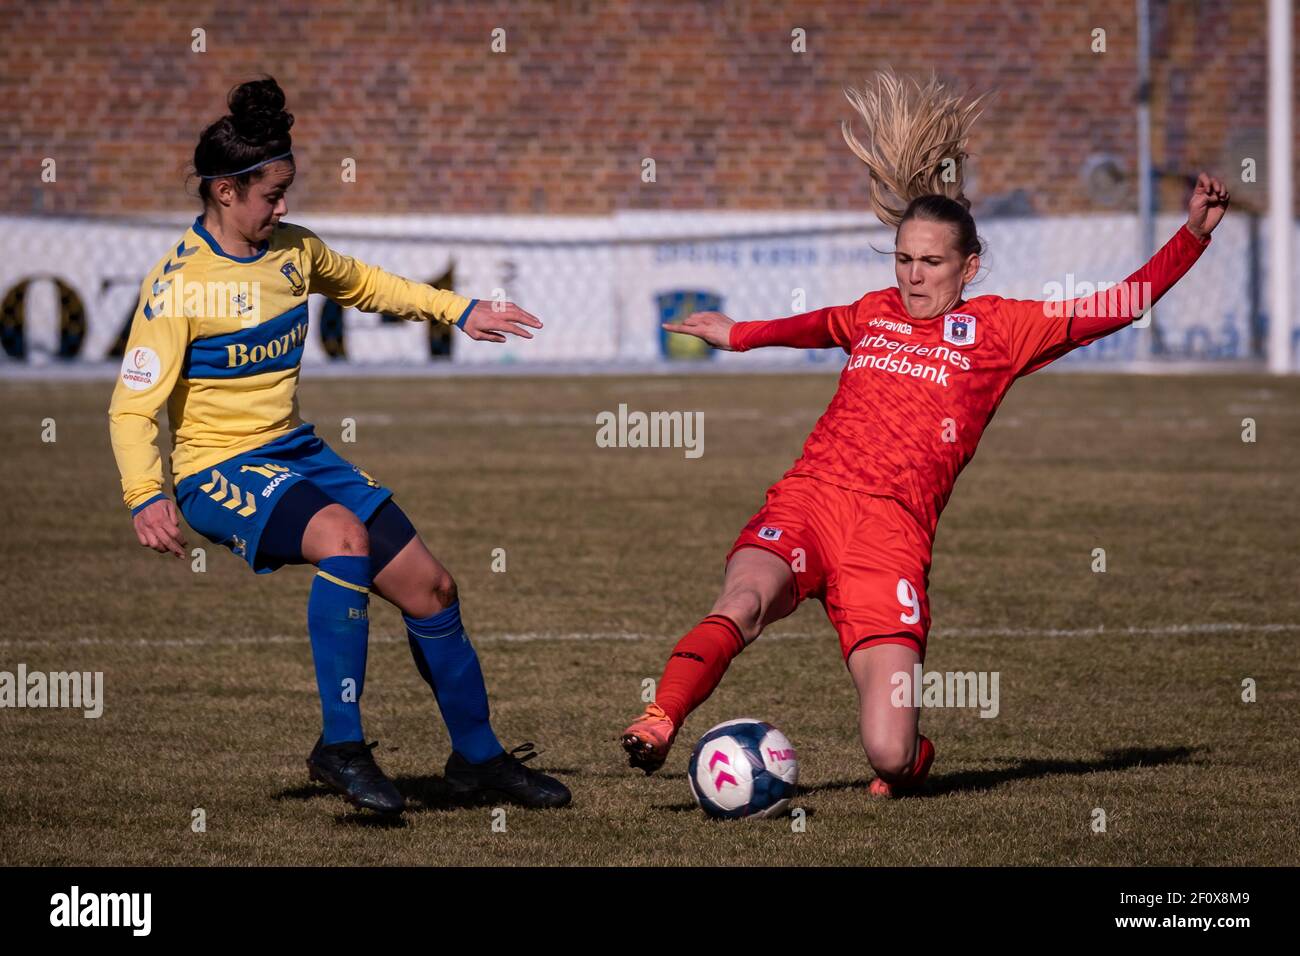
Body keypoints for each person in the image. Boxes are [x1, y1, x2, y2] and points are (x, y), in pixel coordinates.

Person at [621, 70, 1229, 797]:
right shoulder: (874, 310)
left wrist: (1190, 235)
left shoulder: (1005, 329)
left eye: (931, 263)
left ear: (968, 267)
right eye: (904, 259)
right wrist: (740, 333)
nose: (913, 277)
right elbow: (818, 324)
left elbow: (1117, 306)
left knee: (886, 751)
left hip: (891, 537)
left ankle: (912, 759)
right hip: (809, 500)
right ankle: (661, 718)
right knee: (742, 602)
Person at [109, 76, 570, 814]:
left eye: (288, 191)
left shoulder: (295, 252)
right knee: (344, 539)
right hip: (217, 471)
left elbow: (368, 285)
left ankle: (479, 760)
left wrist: (460, 309)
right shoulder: (177, 288)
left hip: (297, 453)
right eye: (271, 194)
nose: (283, 205)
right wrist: (145, 493)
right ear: (225, 192)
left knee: (433, 587)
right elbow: (132, 406)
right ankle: (342, 746)